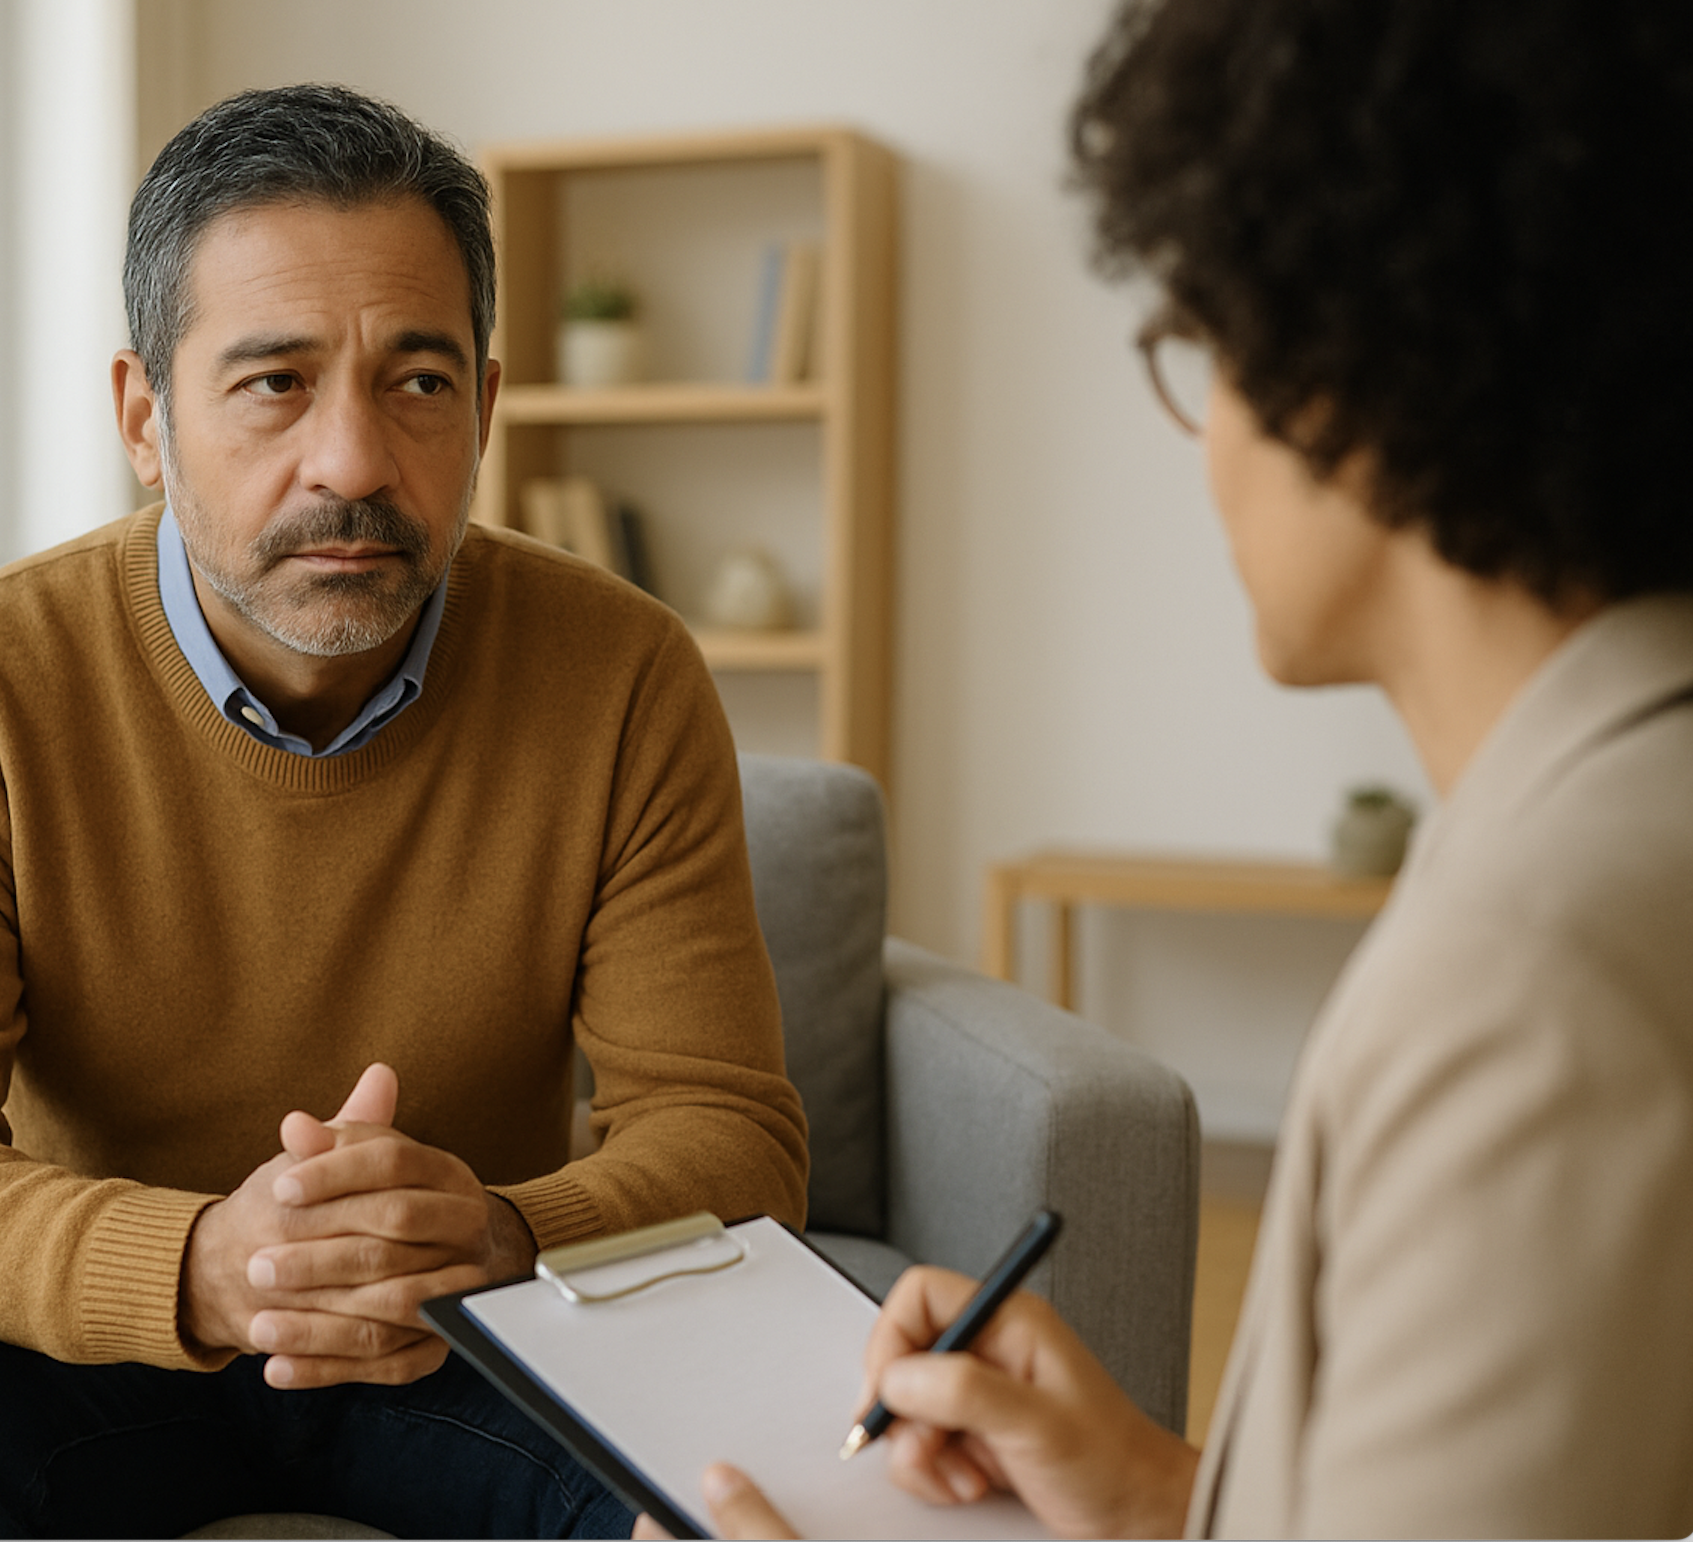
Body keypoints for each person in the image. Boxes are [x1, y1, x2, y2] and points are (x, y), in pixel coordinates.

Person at [668, 1, 1693, 1537]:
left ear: (1353, 363)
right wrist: (1165, 1494)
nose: (1201, 435)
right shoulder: (1618, 821)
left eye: (1200, 351)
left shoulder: (1531, 982)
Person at [0, 84, 809, 1539]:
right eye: (273, 381)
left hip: (472, 1329)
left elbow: (730, 1135)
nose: (355, 463)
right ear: (145, 415)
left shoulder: (625, 674)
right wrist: (200, 1260)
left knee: (753, 1433)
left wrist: (499, 1231)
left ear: (488, 408)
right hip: (107, 1345)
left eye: (420, 383)